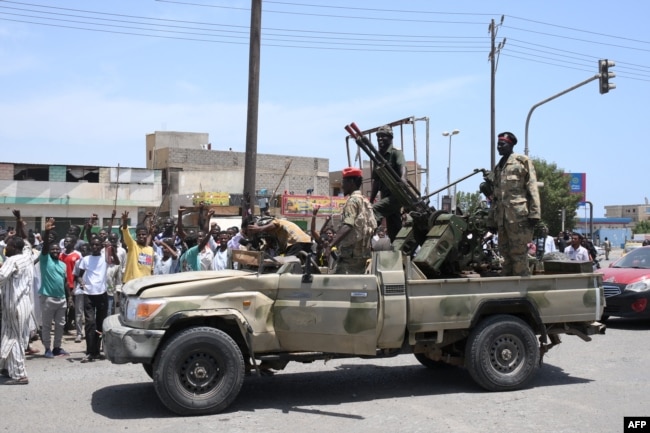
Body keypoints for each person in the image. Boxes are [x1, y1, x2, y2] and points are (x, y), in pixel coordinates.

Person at [490, 131, 541, 276]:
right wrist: (491, 220)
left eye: (502, 144)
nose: (499, 147)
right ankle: (507, 287)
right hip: (502, 218)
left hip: (518, 217)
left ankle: (522, 287)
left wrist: (535, 213)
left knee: (518, 254)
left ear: (510, 145)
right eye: (498, 144)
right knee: (505, 253)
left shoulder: (522, 161)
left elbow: (532, 186)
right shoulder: (498, 167)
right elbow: (495, 197)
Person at [76, 236, 119, 363]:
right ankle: (89, 351)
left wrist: (111, 249)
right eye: (92, 245)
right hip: (88, 294)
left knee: (100, 323)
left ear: (101, 247)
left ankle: (97, 351)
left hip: (102, 294)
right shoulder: (85, 259)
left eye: (97, 245)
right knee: (90, 323)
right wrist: (81, 282)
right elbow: (79, 275)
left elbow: (116, 262)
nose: (94, 247)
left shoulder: (105, 258)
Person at [328, 167, 377, 274]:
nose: (342, 185)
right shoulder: (364, 201)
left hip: (349, 256)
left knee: (338, 286)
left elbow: (348, 225)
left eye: (344, 182)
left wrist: (330, 244)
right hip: (362, 254)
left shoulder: (352, 201)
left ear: (351, 182)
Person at [0, 235, 34, 384]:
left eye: (8, 245)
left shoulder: (12, 260)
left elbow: (1, 276)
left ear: (14, 248)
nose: (5, 248)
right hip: (24, 304)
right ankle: (9, 368)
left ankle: (19, 375)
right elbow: (27, 245)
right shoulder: (26, 257)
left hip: (14, 305)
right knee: (14, 336)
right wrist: (19, 221)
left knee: (13, 338)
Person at [369, 124, 407, 243]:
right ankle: (398, 250)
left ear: (390, 137)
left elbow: (402, 167)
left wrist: (403, 178)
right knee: (393, 228)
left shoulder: (396, 152)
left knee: (374, 211)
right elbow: (376, 180)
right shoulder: (378, 156)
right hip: (386, 195)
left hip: (396, 195)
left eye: (383, 136)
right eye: (378, 137)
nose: (380, 139)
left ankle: (367, 237)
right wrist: (370, 200)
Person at [38, 218, 70, 358]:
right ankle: (47, 349)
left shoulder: (62, 264)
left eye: (57, 249)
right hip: (48, 298)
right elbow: (45, 247)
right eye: (53, 249)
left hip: (61, 299)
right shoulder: (45, 259)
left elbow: (65, 283)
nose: (56, 251)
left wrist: (69, 299)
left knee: (60, 325)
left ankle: (57, 348)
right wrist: (47, 231)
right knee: (46, 326)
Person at [245, 216, 312, 257]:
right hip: (305, 241)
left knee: (288, 266)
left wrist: (260, 229)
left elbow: (276, 223)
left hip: (296, 241)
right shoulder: (275, 233)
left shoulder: (266, 223)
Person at [120, 211, 154, 284]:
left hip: (145, 284)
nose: (141, 236)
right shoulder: (132, 245)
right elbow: (126, 232)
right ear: (136, 236)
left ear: (147, 235)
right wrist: (125, 221)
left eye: (143, 234)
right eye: (139, 235)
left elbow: (151, 269)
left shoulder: (150, 249)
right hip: (131, 283)